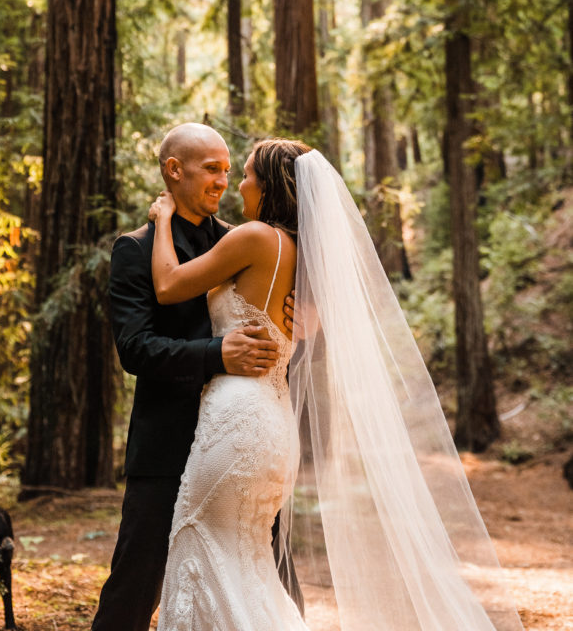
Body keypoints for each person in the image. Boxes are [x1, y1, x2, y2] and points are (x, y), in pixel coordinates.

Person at [149, 138, 525, 631]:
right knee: (247, 568)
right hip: (275, 426)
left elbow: (169, 284)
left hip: (236, 420)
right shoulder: (306, 254)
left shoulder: (255, 238)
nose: (238, 184)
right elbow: (306, 321)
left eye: (245, 175)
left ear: (268, 187)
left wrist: (160, 219)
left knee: (205, 550)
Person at [91, 123, 292, 631]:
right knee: (135, 587)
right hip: (168, 442)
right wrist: (217, 354)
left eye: (229, 170)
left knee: (262, 574)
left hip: (239, 446)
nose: (223, 181)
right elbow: (136, 349)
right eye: (211, 169)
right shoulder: (135, 249)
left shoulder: (247, 241)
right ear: (173, 170)